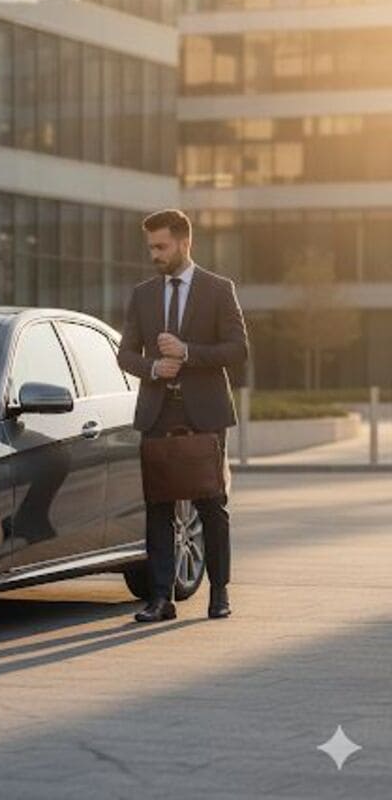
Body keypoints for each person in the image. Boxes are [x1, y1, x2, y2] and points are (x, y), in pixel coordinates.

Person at [117, 209, 249, 623]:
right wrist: (154, 368)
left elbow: (237, 349)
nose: (155, 254)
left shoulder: (218, 289)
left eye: (161, 246)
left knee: (212, 504)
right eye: (151, 247)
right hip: (157, 411)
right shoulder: (142, 294)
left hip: (205, 412)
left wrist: (188, 353)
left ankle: (219, 594)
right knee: (158, 505)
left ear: (184, 242)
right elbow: (125, 354)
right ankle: (160, 599)